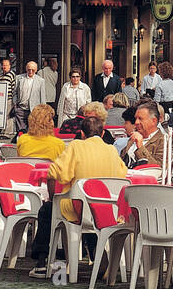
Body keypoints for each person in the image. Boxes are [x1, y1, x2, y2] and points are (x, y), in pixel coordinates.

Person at [28, 102, 128, 277]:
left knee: (47, 211)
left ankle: (41, 261)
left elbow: (55, 174)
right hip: (106, 209)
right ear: (103, 133)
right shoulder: (112, 150)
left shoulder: (76, 146)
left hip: (78, 208)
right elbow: (122, 175)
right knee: (88, 208)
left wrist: (53, 198)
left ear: (82, 134)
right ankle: (97, 252)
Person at [127, 99, 166, 168]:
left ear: (153, 121)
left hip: (143, 177)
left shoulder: (163, 140)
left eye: (140, 119)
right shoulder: (134, 136)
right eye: (136, 118)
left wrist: (140, 146)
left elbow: (158, 168)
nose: (136, 122)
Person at [13, 60, 48, 136]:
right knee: (20, 132)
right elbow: (15, 92)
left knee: (32, 131)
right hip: (20, 109)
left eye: (33, 70)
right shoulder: (19, 78)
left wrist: (43, 111)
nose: (31, 71)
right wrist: (15, 104)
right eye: (29, 69)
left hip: (33, 110)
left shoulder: (41, 81)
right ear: (26, 69)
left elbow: (42, 97)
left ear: (36, 70)